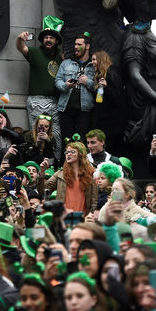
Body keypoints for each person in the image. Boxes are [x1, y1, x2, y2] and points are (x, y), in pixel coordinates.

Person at [16, 16, 63, 156]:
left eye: (52, 38)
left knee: (56, 135)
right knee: (37, 134)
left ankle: (55, 162)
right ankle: (36, 164)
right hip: (36, 101)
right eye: (46, 37)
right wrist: (20, 39)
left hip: (54, 102)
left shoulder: (61, 57)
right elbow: (22, 48)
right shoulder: (35, 52)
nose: (48, 40)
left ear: (57, 41)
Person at [55, 34, 96, 144]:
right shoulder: (66, 63)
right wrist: (65, 86)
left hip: (84, 112)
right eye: (75, 44)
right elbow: (57, 81)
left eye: (79, 44)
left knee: (80, 143)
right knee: (66, 142)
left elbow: (99, 87)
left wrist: (87, 82)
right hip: (65, 110)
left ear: (87, 46)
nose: (76, 47)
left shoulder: (93, 65)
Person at [45, 142, 98, 215]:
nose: (68, 154)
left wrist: (91, 217)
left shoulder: (91, 174)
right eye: (67, 152)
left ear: (80, 155)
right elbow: (44, 190)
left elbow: (94, 201)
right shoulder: (60, 174)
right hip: (64, 218)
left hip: (83, 219)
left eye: (72, 152)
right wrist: (41, 174)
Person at [89, 50, 125, 153]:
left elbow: (118, 99)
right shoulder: (100, 76)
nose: (92, 62)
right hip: (103, 124)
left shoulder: (112, 75)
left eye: (94, 59)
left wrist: (106, 87)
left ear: (101, 60)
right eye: (92, 59)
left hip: (112, 126)